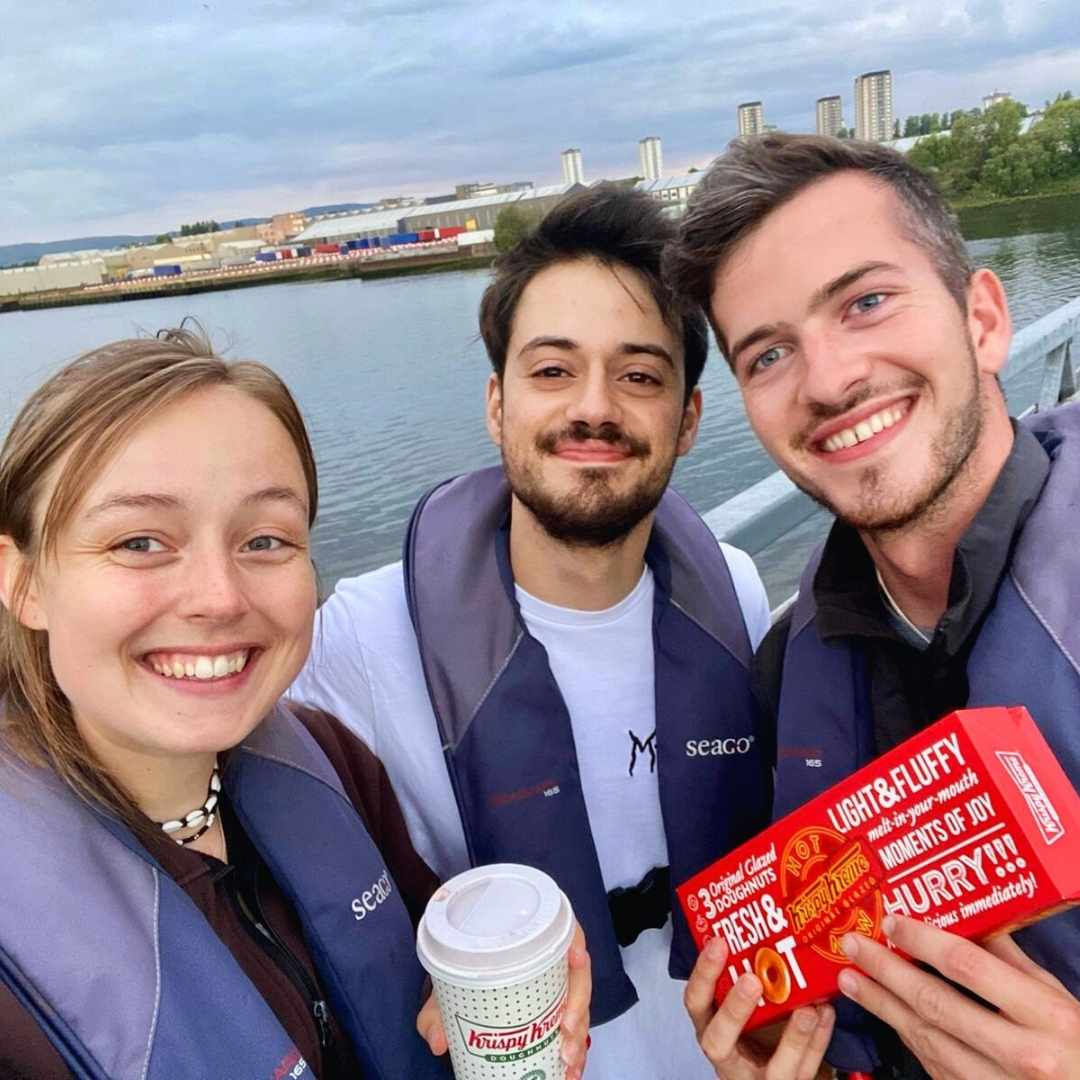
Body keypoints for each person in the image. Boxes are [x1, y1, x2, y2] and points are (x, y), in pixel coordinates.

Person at [0, 328, 590, 1080]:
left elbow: (434, 958)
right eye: (140, 542)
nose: (217, 597)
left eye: (267, 540)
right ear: (23, 582)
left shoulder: (330, 763)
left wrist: (526, 962)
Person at [290, 184, 778, 1078]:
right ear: (496, 404)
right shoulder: (359, 638)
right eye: (552, 370)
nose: (594, 408)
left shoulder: (738, 597)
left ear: (690, 418)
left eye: (640, 375)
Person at [665, 132, 1080, 1078]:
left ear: (982, 319)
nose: (828, 380)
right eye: (768, 354)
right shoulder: (786, 673)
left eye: (866, 302)